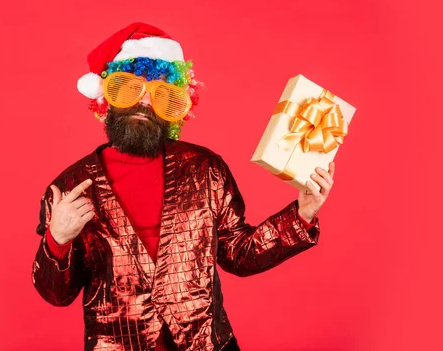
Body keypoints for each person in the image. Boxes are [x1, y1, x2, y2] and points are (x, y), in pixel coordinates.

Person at [31, 22, 334, 351]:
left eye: (162, 95)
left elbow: (239, 254)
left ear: (175, 109)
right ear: (106, 98)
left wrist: (302, 214)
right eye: (129, 89)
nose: (145, 103)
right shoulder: (69, 188)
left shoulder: (205, 169)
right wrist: (57, 238)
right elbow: (56, 294)